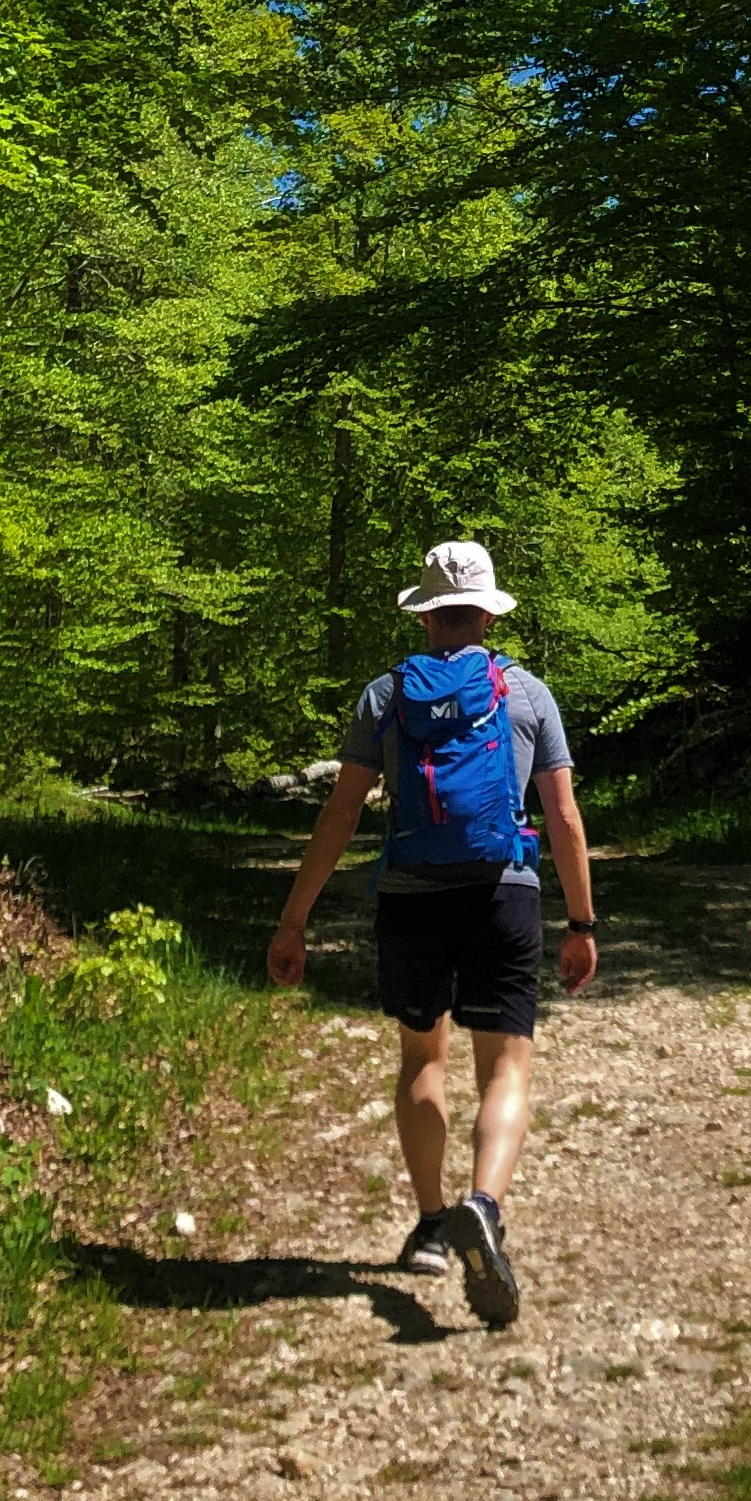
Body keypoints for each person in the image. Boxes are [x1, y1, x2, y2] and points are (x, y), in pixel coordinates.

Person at [265, 537, 597, 1327]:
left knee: (423, 1057)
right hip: (502, 893)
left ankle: (427, 1226)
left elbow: (342, 812)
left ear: (425, 617)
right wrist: (581, 923)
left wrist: (294, 917)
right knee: (504, 1067)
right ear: (486, 611)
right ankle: (483, 1203)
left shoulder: (385, 697)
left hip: (411, 897)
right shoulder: (527, 695)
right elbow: (563, 817)